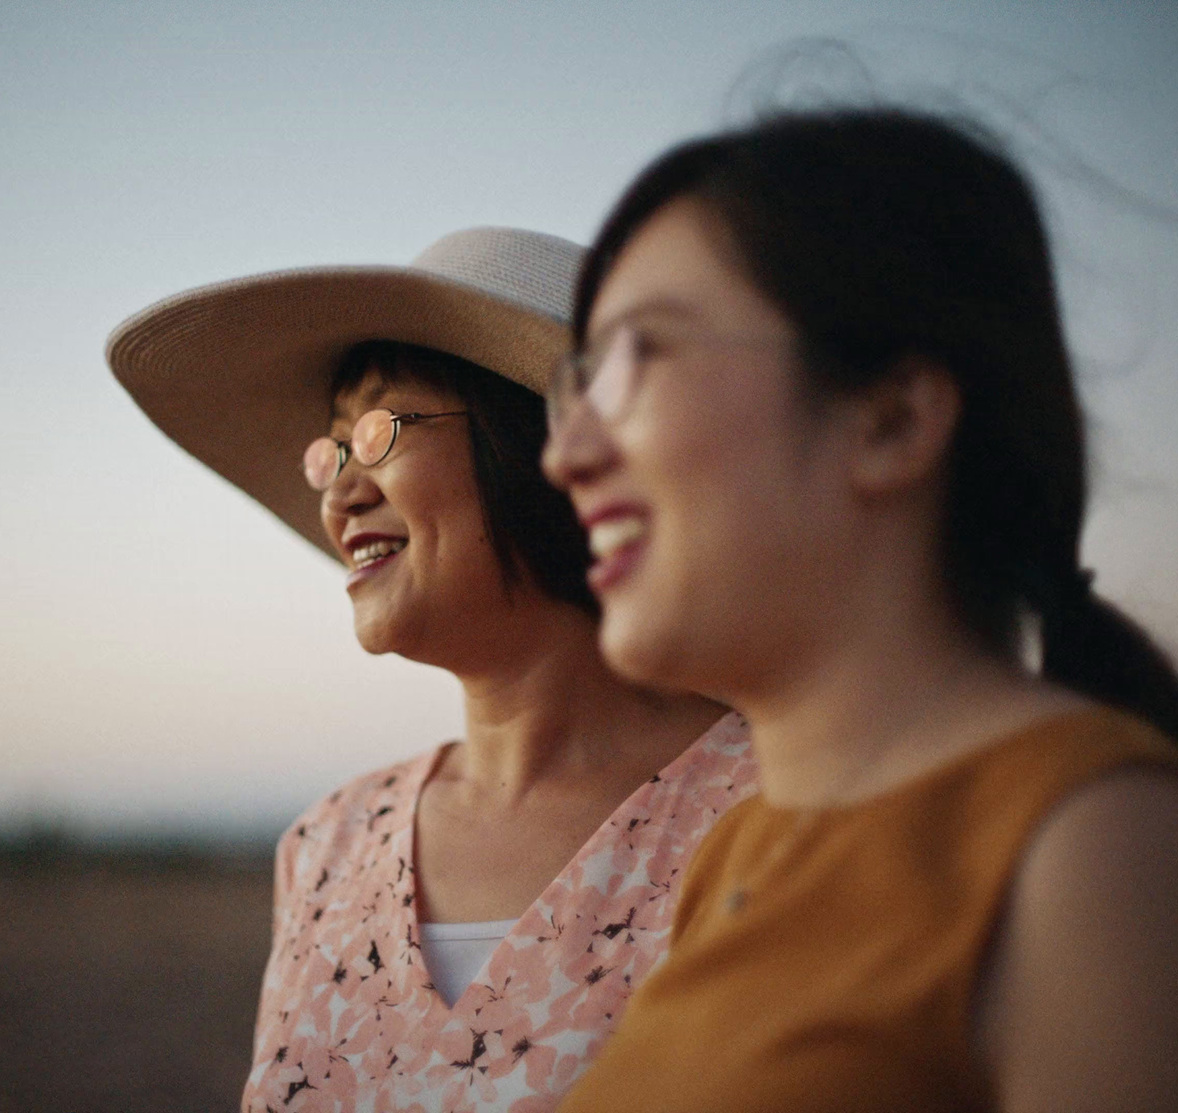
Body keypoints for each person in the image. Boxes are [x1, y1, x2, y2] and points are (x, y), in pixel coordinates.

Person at [541, 108, 1178, 1112]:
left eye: (638, 360)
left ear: (891, 419)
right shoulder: (738, 849)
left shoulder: (1099, 855)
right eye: (576, 385)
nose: (565, 456)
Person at [106, 227, 757, 1112]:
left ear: (548, 447)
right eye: (329, 452)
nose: (338, 493)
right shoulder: (327, 845)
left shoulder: (779, 817)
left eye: (378, 432)